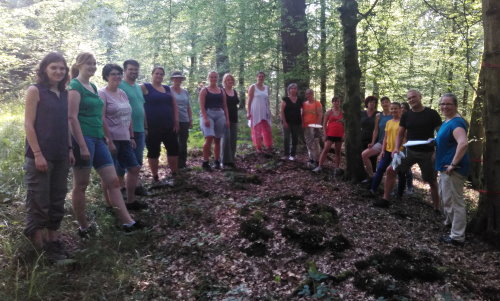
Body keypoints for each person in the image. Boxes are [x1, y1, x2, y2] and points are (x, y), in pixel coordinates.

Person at [68, 52, 143, 236]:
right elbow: (71, 117)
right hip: (83, 139)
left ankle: (127, 222)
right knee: (81, 184)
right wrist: (82, 146)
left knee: (113, 181)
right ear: (79, 65)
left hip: (99, 138)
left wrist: (105, 139)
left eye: (94, 63)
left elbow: (98, 116)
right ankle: (84, 227)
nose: (92, 67)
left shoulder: (92, 86)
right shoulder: (74, 86)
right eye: (88, 63)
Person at [24, 52, 74, 260]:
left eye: (62, 68)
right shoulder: (35, 91)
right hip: (39, 155)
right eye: (54, 67)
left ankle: (53, 240)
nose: (58, 71)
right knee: (39, 199)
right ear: (45, 69)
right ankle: (38, 246)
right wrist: (37, 154)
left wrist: (70, 149)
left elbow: (66, 123)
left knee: (57, 198)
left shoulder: (65, 93)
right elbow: (28, 124)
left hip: (61, 154)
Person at [373, 89, 442, 208]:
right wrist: (395, 148)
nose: (411, 100)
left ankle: (437, 207)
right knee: (391, 170)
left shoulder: (432, 114)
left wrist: (437, 152)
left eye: (414, 97)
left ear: (420, 96)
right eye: (409, 98)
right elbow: (400, 133)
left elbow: (440, 134)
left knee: (431, 180)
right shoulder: (406, 115)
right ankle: (385, 199)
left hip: (427, 153)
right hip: (408, 151)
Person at [99, 64, 146, 211]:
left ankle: (130, 201)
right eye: (113, 74)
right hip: (111, 140)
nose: (117, 76)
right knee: (109, 175)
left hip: (125, 138)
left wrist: (131, 136)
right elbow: (102, 118)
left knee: (134, 168)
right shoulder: (102, 93)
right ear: (106, 76)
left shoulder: (122, 93)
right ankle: (109, 204)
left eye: (119, 74)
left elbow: (129, 115)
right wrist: (109, 140)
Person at [435, 93, 469, 245]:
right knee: (446, 198)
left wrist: (453, 164)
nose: (444, 106)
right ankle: (450, 224)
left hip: (453, 168)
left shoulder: (457, 123)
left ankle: (457, 237)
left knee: (455, 202)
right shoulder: (446, 121)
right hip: (444, 166)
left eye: (448, 104)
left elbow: (463, 143)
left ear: (455, 105)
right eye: (442, 104)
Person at [119, 59, 148, 196]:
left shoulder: (138, 87)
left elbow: (141, 107)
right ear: (124, 70)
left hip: (140, 129)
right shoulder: (120, 86)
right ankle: (121, 190)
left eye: (136, 70)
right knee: (126, 162)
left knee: (137, 161)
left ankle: (134, 187)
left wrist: (145, 127)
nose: (133, 72)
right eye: (130, 69)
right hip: (125, 130)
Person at [199, 71, 230, 171]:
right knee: (209, 137)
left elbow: (225, 106)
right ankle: (205, 161)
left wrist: (227, 119)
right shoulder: (204, 90)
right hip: (208, 114)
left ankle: (216, 161)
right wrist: (205, 118)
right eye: (211, 77)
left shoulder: (221, 91)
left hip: (220, 114)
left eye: (215, 77)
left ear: (218, 78)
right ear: (209, 78)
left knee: (218, 139)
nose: (213, 79)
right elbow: (202, 106)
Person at [369, 102, 402, 194]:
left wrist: (399, 149)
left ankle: (394, 193)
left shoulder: (403, 122)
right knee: (380, 169)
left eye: (396, 108)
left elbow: (405, 138)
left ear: (400, 109)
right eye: (392, 109)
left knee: (393, 172)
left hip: (398, 152)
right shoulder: (389, 122)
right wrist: (382, 151)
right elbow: (385, 137)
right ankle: (372, 190)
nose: (393, 110)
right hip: (387, 150)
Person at [362, 96, 391, 181]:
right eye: (383, 102)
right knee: (364, 154)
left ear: (389, 103)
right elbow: (376, 130)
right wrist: (373, 142)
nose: (385, 103)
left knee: (390, 166)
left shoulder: (394, 114)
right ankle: (372, 176)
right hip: (381, 142)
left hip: (392, 143)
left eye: (387, 102)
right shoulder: (378, 116)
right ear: (381, 104)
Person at [313, 96, 344, 172]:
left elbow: (345, 125)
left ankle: (337, 168)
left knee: (338, 151)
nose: (336, 103)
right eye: (335, 101)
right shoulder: (328, 112)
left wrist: (344, 134)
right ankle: (320, 166)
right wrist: (325, 134)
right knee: (326, 149)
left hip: (339, 134)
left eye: (338, 101)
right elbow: (324, 124)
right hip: (330, 133)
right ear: (332, 102)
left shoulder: (343, 113)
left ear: (340, 103)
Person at [170, 71, 192, 170]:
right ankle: (174, 164)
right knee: (174, 143)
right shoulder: (168, 90)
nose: (177, 80)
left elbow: (188, 106)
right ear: (172, 79)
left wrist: (190, 119)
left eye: (179, 78)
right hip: (173, 120)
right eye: (176, 78)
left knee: (183, 143)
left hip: (185, 120)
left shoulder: (185, 92)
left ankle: (182, 164)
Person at [247, 72, 273, 154]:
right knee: (256, 129)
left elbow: (267, 100)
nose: (261, 78)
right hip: (255, 111)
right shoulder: (253, 87)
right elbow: (249, 100)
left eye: (262, 76)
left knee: (267, 129)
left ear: (264, 78)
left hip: (265, 111)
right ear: (256, 77)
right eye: (259, 76)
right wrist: (248, 112)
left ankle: (268, 146)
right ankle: (258, 147)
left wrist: (269, 110)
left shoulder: (266, 88)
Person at [280, 83, 303, 160]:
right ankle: (286, 154)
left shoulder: (299, 100)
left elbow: (303, 110)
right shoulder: (285, 99)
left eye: (295, 88)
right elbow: (282, 111)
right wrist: (284, 121)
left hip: (297, 122)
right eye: (291, 88)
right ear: (289, 90)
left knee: (295, 138)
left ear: (297, 90)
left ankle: (293, 155)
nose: (293, 90)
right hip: (287, 122)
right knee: (286, 138)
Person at [221, 73, 239, 168]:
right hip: (224, 118)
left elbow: (236, 104)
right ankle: (224, 161)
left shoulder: (234, 91)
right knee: (225, 139)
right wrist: (226, 119)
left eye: (231, 79)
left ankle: (231, 160)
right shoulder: (222, 91)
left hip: (234, 117)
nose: (230, 81)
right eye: (228, 80)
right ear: (224, 81)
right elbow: (223, 105)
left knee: (233, 139)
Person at [302, 89, 323, 168]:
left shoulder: (317, 103)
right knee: (308, 143)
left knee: (315, 143)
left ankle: (317, 160)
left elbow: (320, 114)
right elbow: (302, 115)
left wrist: (317, 126)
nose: (308, 95)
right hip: (306, 126)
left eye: (310, 94)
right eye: (307, 94)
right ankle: (311, 158)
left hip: (314, 126)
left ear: (312, 94)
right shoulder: (304, 104)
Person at [360, 96, 379, 181]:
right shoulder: (362, 113)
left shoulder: (378, 114)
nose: (372, 104)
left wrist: (373, 141)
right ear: (367, 103)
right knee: (362, 157)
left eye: (374, 102)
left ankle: (372, 177)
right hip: (362, 137)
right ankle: (366, 175)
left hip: (374, 138)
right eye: (370, 102)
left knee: (372, 158)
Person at [400, 102, 414, 194]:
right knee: (399, 168)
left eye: (404, 108)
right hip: (397, 146)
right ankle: (400, 188)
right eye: (401, 107)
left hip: (407, 146)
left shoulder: (410, 118)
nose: (402, 109)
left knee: (406, 168)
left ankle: (409, 188)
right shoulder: (397, 118)